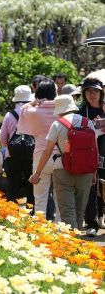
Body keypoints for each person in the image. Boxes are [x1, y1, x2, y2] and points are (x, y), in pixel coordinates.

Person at [29, 95, 95, 230]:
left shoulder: (58, 124)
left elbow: (47, 152)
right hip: (86, 172)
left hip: (63, 169)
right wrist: (94, 172)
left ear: (59, 109)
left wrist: (37, 173)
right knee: (79, 210)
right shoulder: (88, 123)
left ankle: (71, 242)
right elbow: (95, 150)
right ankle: (76, 242)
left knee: (67, 210)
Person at [17, 78, 59, 221]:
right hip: (61, 157)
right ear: (54, 93)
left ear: (38, 92)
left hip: (40, 157)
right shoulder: (61, 110)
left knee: (40, 198)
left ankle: (39, 227)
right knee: (60, 199)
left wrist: (34, 102)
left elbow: (23, 109)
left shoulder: (34, 111)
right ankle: (61, 230)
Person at [78, 77, 105, 236]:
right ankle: (91, 224)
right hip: (89, 155)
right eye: (88, 91)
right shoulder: (81, 112)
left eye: (95, 90)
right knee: (91, 189)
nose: (92, 94)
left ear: (101, 92)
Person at [0, 85, 34, 206]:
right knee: (31, 188)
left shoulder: (9, 115)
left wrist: (9, 148)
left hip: (12, 157)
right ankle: (32, 216)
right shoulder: (34, 114)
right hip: (31, 157)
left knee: (12, 187)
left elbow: (3, 137)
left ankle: (9, 214)